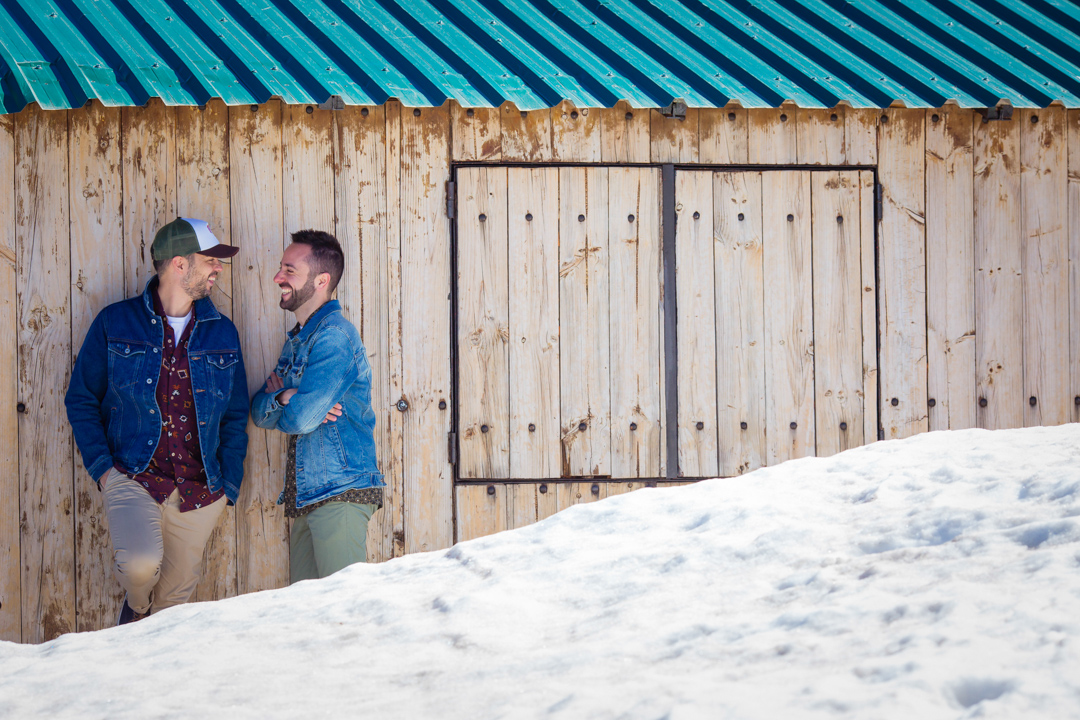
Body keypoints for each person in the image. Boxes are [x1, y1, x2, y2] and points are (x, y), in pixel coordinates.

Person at [65, 217, 248, 625]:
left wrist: (228, 488)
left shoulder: (223, 333)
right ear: (180, 265)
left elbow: (235, 415)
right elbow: (80, 399)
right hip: (134, 477)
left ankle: (142, 679)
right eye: (210, 261)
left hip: (201, 491)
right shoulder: (115, 323)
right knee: (139, 567)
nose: (218, 269)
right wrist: (105, 472)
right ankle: (137, 608)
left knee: (173, 613)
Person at [251, 230, 384, 583]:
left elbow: (301, 420)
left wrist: (295, 404)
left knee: (345, 612)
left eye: (289, 270)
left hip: (340, 492)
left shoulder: (334, 337)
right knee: (308, 620)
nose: (278, 277)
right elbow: (258, 412)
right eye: (281, 268)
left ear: (321, 280)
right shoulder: (297, 342)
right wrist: (286, 397)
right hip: (308, 494)